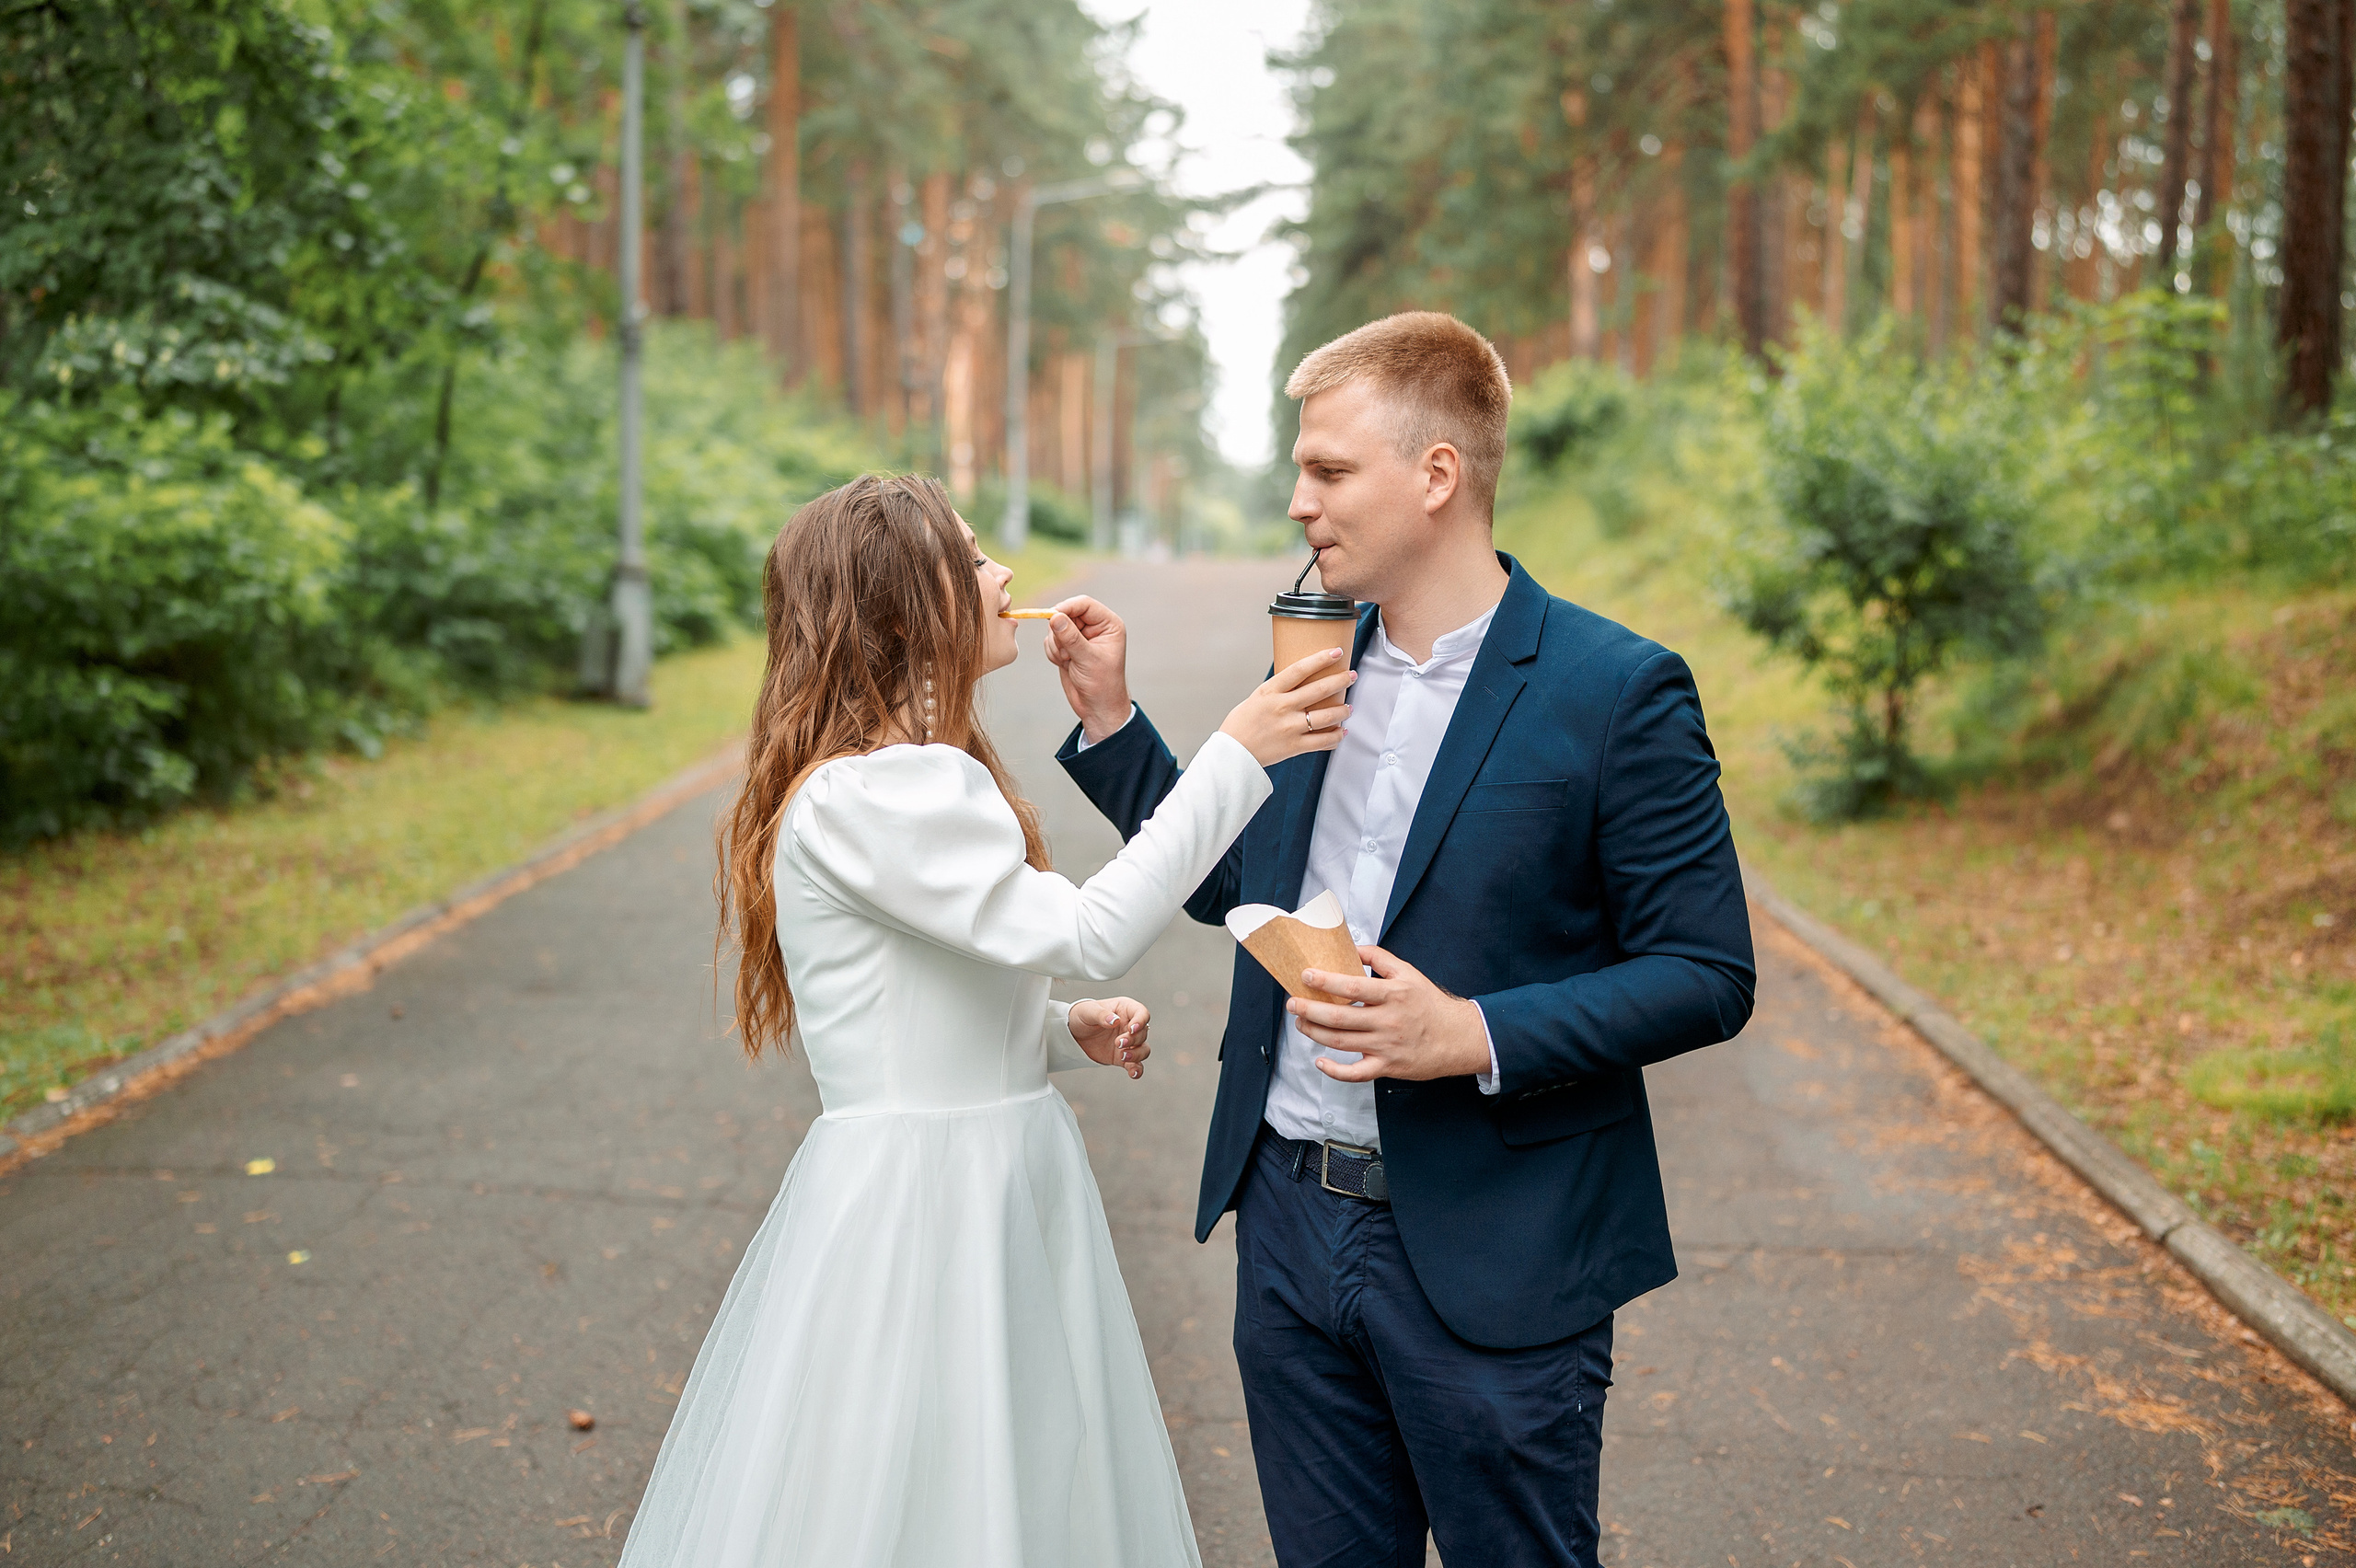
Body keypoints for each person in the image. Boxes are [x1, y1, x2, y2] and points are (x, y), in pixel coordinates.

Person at [1045, 312, 1756, 1567]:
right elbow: (1231, 881)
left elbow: (1707, 974)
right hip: (1289, 1230)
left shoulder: (1618, 690)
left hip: (1501, 1248)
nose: (1296, 503)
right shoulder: (1309, 663)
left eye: (1326, 471)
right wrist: (1115, 727)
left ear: (1436, 476)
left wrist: (1471, 1032)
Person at [618, 474, 1355, 1568]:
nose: (1005, 577)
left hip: (974, 1175)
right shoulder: (884, 793)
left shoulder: (892, 779)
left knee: (984, 1479)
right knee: (944, 1487)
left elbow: (915, 1000)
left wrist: (1058, 1032)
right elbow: (1094, 928)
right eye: (972, 561)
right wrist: (1236, 753)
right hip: (935, 1207)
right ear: (912, 613)